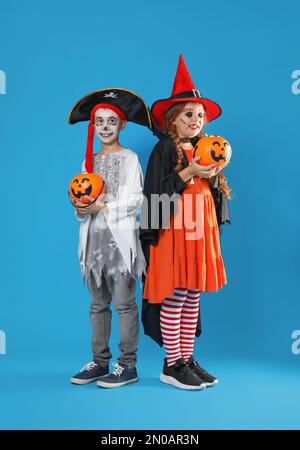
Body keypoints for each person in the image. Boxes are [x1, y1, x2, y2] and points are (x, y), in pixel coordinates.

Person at [140, 56, 231, 391]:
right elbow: (156, 194)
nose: (196, 119)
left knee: (193, 295)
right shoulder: (165, 150)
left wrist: (213, 177)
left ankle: (187, 357)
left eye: (200, 114)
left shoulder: (208, 149)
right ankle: (172, 363)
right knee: (175, 295)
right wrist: (189, 172)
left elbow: (214, 197)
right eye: (188, 114)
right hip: (174, 232)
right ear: (172, 120)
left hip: (199, 231)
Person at [68, 88, 151, 388]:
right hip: (94, 244)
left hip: (120, 243)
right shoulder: (89, 162)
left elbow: (135, 200)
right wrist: (82, 208)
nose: (104, 127)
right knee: (97, 305)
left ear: (122, 125)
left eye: (110, 121)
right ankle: (99, 361)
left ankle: (127, 364)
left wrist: (103, 205)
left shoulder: (129, 159)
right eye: (99, 122)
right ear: (93, 126)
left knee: (124, 303)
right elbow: (81, 201)